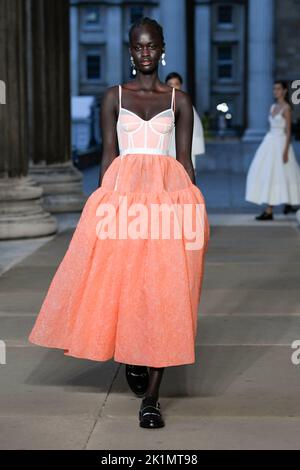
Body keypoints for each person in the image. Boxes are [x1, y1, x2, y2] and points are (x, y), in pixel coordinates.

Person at [28, 17, 210, 429]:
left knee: (166, 290)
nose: (145, 53)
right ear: (130, 52)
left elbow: (185, 162)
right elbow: (109, 156)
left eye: (151, 46)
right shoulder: (115, 97)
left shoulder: (179, 101)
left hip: (167, 203)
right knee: (126, 285)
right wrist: (98, 208)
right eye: (137, 47)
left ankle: (152, 399)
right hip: (122, 205)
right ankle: (132, 354)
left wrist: (194, 212)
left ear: (162, 49)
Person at [245, 80, 300, 220]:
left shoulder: (286, 108)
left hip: (281, 143)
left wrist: (286, 150)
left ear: (285, 91)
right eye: (274, 89)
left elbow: (288, 131)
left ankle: (271, 209)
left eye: (278, 89)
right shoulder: (273, 106)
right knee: (266, 173)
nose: (275, 91)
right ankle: (281, 205)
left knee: (279, 175)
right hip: (269, 142)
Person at [165, 72, 205, 176]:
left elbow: (195, 129)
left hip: (184, 149)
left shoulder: (185, 103)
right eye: (170, 84)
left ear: (181, 85)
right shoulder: (161, 103)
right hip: (165, 150)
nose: (173, 86)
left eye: (176, 83)